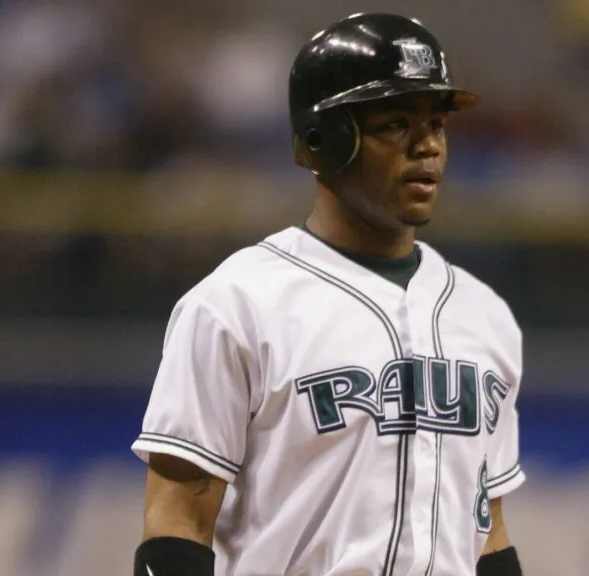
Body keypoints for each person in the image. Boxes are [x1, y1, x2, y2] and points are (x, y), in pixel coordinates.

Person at [131, 12, 526, 576]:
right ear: (322, 140)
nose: (428, 146)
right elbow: (176, 524)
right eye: (396, 123)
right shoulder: (235, 305)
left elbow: (489, 535)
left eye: (437, 124)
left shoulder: (483, 315)